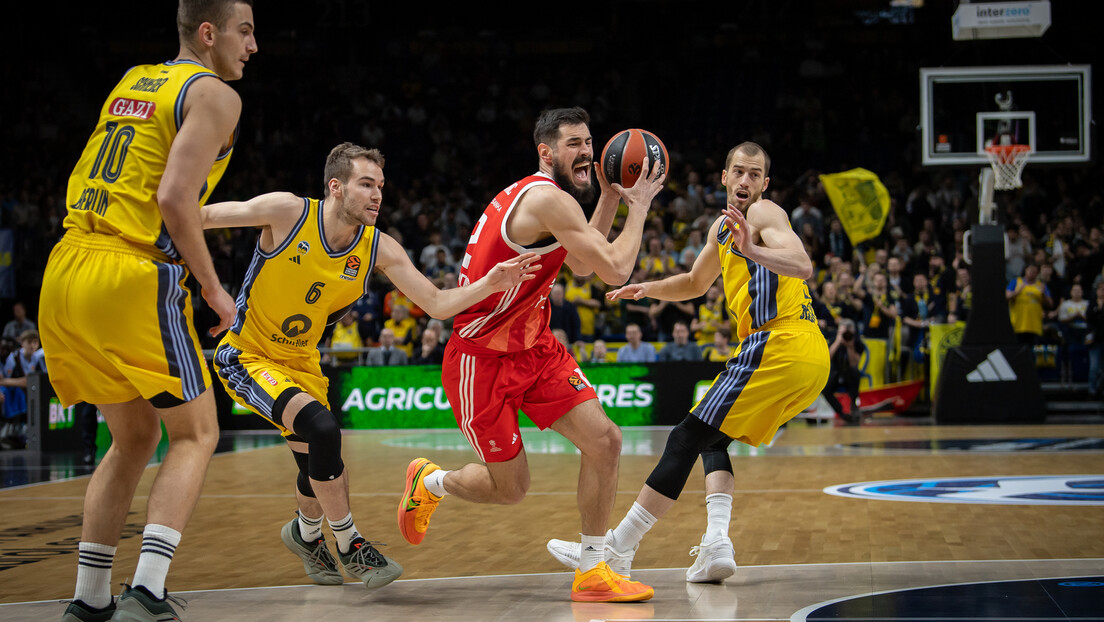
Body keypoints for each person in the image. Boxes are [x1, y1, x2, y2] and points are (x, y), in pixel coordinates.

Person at [203, 142, 538, 591]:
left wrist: (491, 283)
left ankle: (304, 535)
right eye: (366, 184)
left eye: (381, 185)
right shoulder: (288, 213)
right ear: (336, 188)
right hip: (248, 354)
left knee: (314, 468)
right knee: (323, 431)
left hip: (303, 363)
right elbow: (201, 216)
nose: (378, 194)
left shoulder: (378, 248)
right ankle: (349, 543)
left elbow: (437, 304)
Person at [37, 3, 257, 619]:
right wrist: (214, 288)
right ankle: (149, 591)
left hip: (67, 265)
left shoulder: (134, 78)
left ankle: (89, 599)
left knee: (133, 437)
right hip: (129, 270)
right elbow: (172, 198)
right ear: (208, 33)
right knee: (199, 432)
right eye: (245, 30)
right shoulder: (214, 94)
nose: (254, 45)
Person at [397, 106, 665, 603]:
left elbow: (583, 267)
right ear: (546, 152)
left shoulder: (550, 200)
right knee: (511, 489)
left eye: (589, 142)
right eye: (573, 144)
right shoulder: (546, 200)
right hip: (480, 358)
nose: (587, 151)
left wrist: (607, 197)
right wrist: (640, 203)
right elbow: (612, 271)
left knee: (605, 441)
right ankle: (430, 481)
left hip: (535, 346)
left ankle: (592, 569)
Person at [546, 141, 829, 587]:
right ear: (724, 176)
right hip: (803, 357)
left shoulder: (764, 216)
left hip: (780, 341)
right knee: (713, 442)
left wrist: (754, 249)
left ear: (765, 184)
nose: (746, 181)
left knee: (685, 436)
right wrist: (647, 288)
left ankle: (617, 549)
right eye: (739, 171)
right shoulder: (723, 227)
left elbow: (802, 264)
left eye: (755, 175)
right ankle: (716, 542)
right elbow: (696, 283)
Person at [0, 330, 47, 450]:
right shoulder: (14, 358)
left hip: (35, 390)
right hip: (15, 390)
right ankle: (13, 431)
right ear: (22, 343)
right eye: (29, 342)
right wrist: (24, 381)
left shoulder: (39, 357)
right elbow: (5, 379)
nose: (32, 345)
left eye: (35, 342)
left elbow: (40, 378)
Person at [822, 318, 866, 425]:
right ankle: (841, 412)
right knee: (825, 388)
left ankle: (854, 406)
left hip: (849, 374)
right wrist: (838, 341)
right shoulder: (834, 339)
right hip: (836, 372)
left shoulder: (857, 343)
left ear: (853, 332)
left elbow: (854, 364)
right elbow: (828, 358)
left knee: (855, 372)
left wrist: (850, 347)